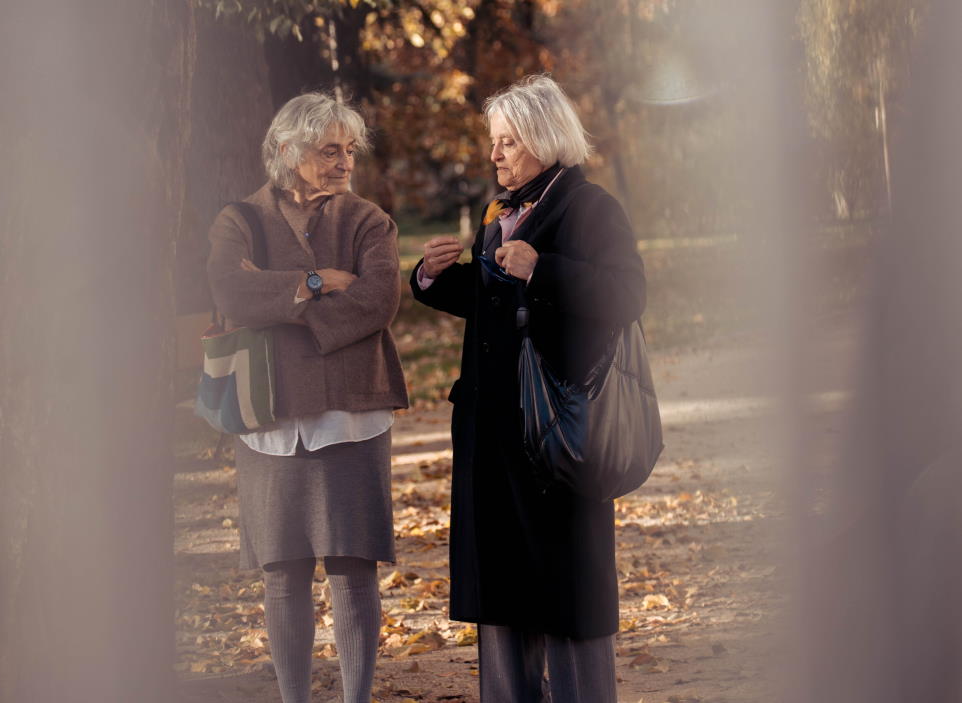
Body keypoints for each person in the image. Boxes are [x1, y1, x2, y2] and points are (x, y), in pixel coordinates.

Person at [410, 74, 647, 703]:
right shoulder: (499, 214)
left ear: (544, 139)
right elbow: (494, 303)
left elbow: (627, 293)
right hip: (496, 442)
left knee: (565, 598)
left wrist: (545, 268)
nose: (495, 155)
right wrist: (433, 280)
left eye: (508, 142)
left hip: (556, 440)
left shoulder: (589, 206)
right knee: (506, 602)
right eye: (494, 141)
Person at [206, 92, 408, 703]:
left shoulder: (368, 220)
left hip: (352, 415)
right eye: (330, 150)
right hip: (266, 417)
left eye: (349, 150)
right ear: (290, 152)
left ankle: (357, 700)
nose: (345, 162)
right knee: (283, 571)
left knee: (353, 569)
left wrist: (289, 318)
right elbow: (231, 293)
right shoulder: (239, 219)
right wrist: (314, 284)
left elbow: (378, 300)